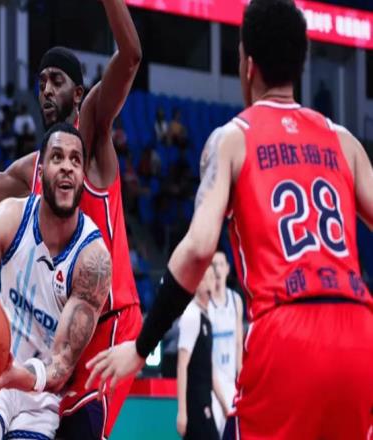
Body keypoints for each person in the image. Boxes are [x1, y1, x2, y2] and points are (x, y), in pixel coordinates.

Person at [85, 1, 373, 439]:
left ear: (248, 64)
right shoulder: (344, 141)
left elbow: (199, 248)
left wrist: (142, 346)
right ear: (300, 65)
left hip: (287, 329)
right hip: (359, 333)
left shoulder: (233, 140)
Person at [0, 1, 142, 437]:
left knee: (75, 431)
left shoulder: (93, 134)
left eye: (57, 81)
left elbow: (130, 56)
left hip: (108, 318)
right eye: (41, 83)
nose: (46, 90)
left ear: (80, 93)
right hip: (57, 325)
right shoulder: (33, 168)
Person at [0, 123, 111, 440]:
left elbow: (61, 365)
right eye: (57, 157)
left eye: (75, 160)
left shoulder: (93, 260)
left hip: (39, 390)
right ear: (41, 171)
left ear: (82, 178)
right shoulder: (10, 216)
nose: (67, 166)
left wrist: (17, 374)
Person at [177, 265, 229, 440]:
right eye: (204, 278)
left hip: (206, 401)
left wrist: (224, 405)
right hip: (195, 404)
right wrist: (182, 412)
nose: (209, 283)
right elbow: (182, 365)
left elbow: (210, 369)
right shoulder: (191, 315)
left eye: (212, 278)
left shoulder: (206, 316)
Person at [208, 250, 243, 437]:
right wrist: (222, 400)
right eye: (213, 265)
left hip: (232, 384)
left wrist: (241, 381)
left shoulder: (236, 301)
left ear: (228, 269)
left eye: (221, 264)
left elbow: (239, 343)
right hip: (211, 388)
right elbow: (205, 355)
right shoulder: (205, 304)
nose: (218, 269)